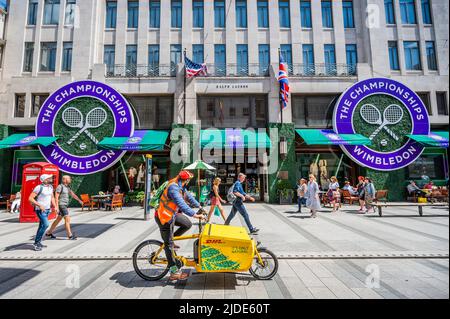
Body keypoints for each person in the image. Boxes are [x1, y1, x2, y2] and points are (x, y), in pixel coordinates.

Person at [155, 170, 204, 281]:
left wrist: (199, 206)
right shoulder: (173, 188)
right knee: (169, 244)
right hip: (164, 217)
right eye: (188, 180)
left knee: (187, 224)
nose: (188, 182)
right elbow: (181, 204)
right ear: (185, 180)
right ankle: (174, 272)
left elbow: (189, 197)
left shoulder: (180, 184)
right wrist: (195, 215)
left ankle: (171, 240)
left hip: (172, 215)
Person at [45, 175, 83, 241]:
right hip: (62, 205)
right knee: (67, 219)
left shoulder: (67, 187)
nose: (70, 179)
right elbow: (56, 197)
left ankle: (49, 233)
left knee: (58, 219)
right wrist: (56, 207)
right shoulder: (60, 186)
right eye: (69, 178)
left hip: (65, 205)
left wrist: (79, 200)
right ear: (64, 180)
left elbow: (72, 194)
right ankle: (70, 235)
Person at [29, 174, 58, 251]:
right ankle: (36, 243)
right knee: (46, 224)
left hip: (47, 209)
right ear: (45, 180)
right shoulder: (39, 187)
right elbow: (30, 198)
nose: (51, 178)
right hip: (40, 210)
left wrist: (55, 206)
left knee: (41, 226)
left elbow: (52, 197)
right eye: (49, 178)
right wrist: (39, 205)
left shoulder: (50, 187)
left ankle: (38, 242)